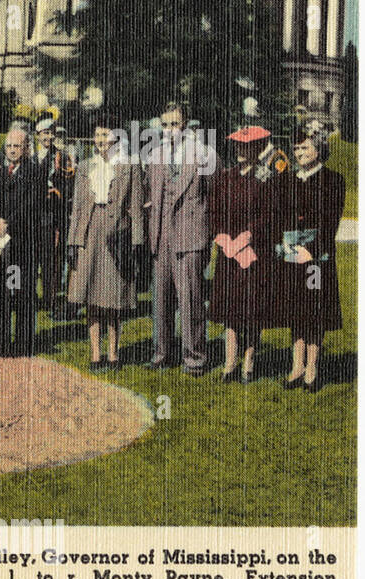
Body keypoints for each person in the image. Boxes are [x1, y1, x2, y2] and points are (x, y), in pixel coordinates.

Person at [67, 116, 145, 371]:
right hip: (89, 234)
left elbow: (135, 207)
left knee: (113, 299)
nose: (101, 140)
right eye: (98, 135)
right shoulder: (85, 167)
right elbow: (77, 207)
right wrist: (73, 241)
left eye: (106, 135)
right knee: (90, 298)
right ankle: (95, 353)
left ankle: (113, 353)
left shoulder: (129, 166)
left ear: (116, 138)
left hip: (116, 234)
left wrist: (136, 240)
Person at [275, 122, 344, 392]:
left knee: (314, 311)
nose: (298, 152)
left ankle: (312, 368)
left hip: (317, 259)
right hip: (291, 256)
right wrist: (284, 245)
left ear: (318, 148)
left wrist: (312, 251)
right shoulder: (288, 180)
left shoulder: (333, 180)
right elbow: (280, 218)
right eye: (295, 148)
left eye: (303, 147)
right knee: (296, 309)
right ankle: (296, 366)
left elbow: (331, 223)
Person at [144, 102, 211, 376]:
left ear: (185, 124)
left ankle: (194, 357)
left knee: (190, 299)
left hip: (190, 234)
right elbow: (151, 195)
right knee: (161, 300)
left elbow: (212, 197)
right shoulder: (155, 155)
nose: (171, 129)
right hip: (161, 236)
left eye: (175, 123)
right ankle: (162, 354)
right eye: (166, 124)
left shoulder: (202, 155)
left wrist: (205, 237)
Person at [210, 126, 281, 382]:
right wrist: (222, 238)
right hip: (228, 251)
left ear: (258, 148)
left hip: (253, 251)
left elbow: (269, 215)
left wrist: (246, 238)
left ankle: (248, 362)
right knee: (230, 308)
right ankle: (229, 363)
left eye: (247, 145)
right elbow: (213, 212)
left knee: (251, 309)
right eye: (238, 145)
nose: (241, 150)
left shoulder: (265, 178)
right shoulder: (225, 176)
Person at [0, 125, 45, 357]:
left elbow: (32, 207)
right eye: (9, 146)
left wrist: (8, 224)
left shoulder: (35, 173)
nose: (12, 150)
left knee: (20, 294)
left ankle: (24, 345)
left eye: (17, 146)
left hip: (20, 246)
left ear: (26, 148)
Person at [33, 118, 75, 317]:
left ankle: (50, 299)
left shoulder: (61, 156)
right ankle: (30, 297)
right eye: (44, 133)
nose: (48, 136)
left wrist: (56, 192)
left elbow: (68, 185)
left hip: (52, 214)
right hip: (32, 215)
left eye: (51, 132)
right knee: (31, 258)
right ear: (37, 134)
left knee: (51, 259)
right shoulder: (30, 155)